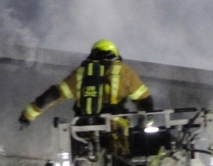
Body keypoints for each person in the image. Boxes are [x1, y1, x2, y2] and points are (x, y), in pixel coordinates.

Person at [18, 39, 154, 126]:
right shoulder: (125, 72)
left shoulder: (81, 74)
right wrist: (147, 120)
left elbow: (54, 95)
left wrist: (28, 115)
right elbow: (144, 99)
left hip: (84, 127)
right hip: (116, 126)